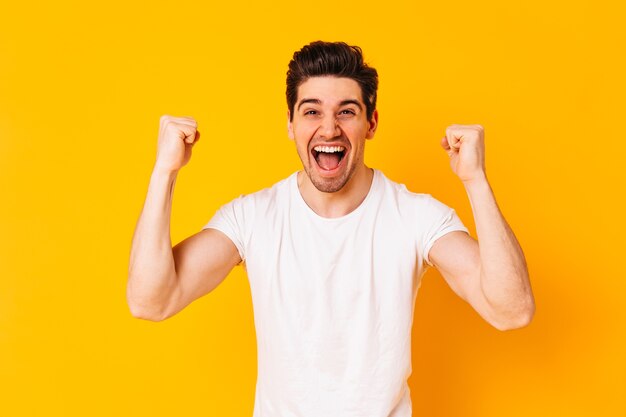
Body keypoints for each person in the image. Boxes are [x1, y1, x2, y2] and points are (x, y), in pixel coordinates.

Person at [127, 41, 535, 417]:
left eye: (346, 111)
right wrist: (165, 172)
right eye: (311, 111)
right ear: (290, 124)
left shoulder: (414, 216)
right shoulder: (253, 218)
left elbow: (511, 309)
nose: (328, 128)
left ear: (371, 123)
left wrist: (475, 181)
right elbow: (151, 301)